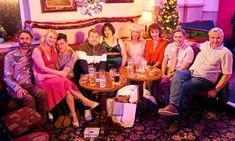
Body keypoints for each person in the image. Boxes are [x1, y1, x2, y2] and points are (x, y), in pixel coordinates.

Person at [159, 27, 233, 132]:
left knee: (183, 87)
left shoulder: (226, 53)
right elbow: (196, 44)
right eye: (213, 38)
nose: (215, 40)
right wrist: (186, 42)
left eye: (218, 38)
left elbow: (227, 74)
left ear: (223, 38)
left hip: (204, 79)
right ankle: (173, 106)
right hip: (191, 72)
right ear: (209, 37)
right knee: (178, 73)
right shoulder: (206, 44)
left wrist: (216, 90)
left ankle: (177, 121)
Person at [32, 29, 99, 127]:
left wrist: (73, 52)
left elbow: (67, 49)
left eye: (54, 38)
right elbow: (39, 66)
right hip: (43, 79)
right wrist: (36, 74)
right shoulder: (40, 49)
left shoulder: (56, 49)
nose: (53, 40)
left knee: (66, 87)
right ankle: (85, 101)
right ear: (45, 36)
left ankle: (74, 115)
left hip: (53, 76)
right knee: (64, 80)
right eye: (50, 37)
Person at [3, 30, 48, 125]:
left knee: (42, 93)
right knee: (29, 99)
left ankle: (42, 121)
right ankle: (33, 125)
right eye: (22, 38)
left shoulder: (34, 54)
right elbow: (7, 77)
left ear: (31, 40)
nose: (25, 41)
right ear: (18, 40)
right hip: (14, 87)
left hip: (29, 85)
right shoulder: (10, 56)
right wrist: (17, 88)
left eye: (27, 38)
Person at [157, 28, 194, 105]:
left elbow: (183, 67)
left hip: (178, 73)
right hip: (167, 69)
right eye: (175, 37)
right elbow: (165, 61)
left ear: (184, 37)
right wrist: (163, 73)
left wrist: (169, 76)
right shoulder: (169, 46)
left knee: (169, 83)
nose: (177, 39)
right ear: (173, 37)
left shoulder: (189, 50)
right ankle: (156, 100)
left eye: (180, 37)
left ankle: (169, 105)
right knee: (153, 79)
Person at [144, 23, 168, 101]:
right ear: (150, 33)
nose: (154, 34)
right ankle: (147, 96)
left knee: (150, 78)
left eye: (156, 32)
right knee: (145, 76)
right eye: (152, 32)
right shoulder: (148, 43)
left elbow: (161, 58)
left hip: (160, 65)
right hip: (150, 64)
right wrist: (147, 66)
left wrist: (153, 67)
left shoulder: (163, 42)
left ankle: (153, 98)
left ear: (159, 32)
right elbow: (147, 56)